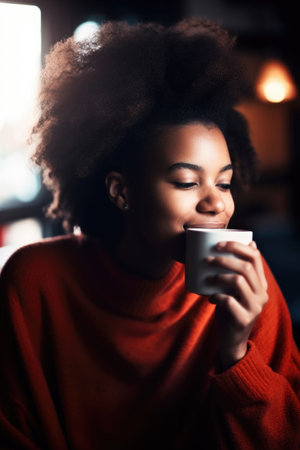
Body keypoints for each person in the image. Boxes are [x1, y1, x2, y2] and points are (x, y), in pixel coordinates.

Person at [0, 18, 299, 450]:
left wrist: (237, 351)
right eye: (185, 182)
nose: (216, 203)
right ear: (122, 191)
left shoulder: (250, 286)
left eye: (225, 182)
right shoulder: (34, 281)